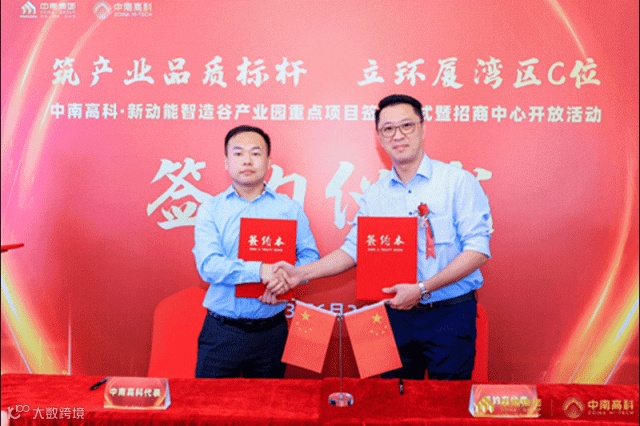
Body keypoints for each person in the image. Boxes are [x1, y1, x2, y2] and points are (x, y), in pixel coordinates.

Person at [271, 94, 492, 380]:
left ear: (423, 128)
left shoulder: (457, 182)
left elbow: (477, 250)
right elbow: (353, 251)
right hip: (391, 316)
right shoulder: (375, 194)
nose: (397, 135)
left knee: (446, 401)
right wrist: (299, 273)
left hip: (449, 315)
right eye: (388, 129)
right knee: (389, 399)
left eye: (406, 126)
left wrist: (423, 289)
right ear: (379, 138)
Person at [192, 125, 320, 378]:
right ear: (226, 162)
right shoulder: (211, 209)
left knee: (269, 403)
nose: (247, 161)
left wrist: (283, 282)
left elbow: (310, 258)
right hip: (222, 332)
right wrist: (260, 270)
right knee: (211, 402)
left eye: (256, 153)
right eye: (238, 153)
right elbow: (209, 266)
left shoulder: (289, 209)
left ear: (269, 162)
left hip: (271, 333)